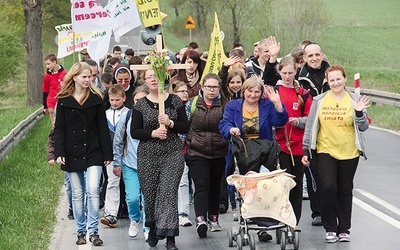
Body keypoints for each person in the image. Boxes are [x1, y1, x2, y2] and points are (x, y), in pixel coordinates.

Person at [301, 65, 370, 243]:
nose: (335, 82)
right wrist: (306, 150)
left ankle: (344, 229)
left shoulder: (355, 99)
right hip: (325, 150)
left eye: (338, 79)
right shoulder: (319, 100)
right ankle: (330, 227)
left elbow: (363, 127)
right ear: (327, 82)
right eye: (331, 80)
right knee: (328, 187)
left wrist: (359, 111)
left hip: (349, 151)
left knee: (345, 190)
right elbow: (310, 127)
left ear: (344, 79)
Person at [219, 76, 288, 242]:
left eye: (257, 91)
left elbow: (280, 121)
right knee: (248, 189)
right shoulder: (233, 106)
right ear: (244, 91)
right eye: (250, 91)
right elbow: (223, 124)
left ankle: (264, 225)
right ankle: (251, 220)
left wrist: (277, 104)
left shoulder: (266, 105)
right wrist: (231, 129)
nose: (253, 94)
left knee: (264, 187)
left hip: (264, 151)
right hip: (243, 151)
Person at [54, 62, 113, 246]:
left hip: (93, 150)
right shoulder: (63, 99)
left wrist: (107, 152)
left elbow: (103, 127)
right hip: (71, 152)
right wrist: (59, 151)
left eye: (90, 77)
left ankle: (93, 231)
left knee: (93, 189)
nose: (88, 80)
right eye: (84, 77)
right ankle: (80, 230)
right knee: (78, 193)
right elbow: (60, 128)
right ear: (74, 77)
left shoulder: (96, 98)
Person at [130, 69, 189, 250]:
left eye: (157, 75)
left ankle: (171, 238)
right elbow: (135, 132)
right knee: (151, 194)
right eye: (150, 77)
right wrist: (153, 133)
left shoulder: (175, 101)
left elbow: (184, 126)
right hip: (148, 154)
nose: (154, 79)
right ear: (145, 81)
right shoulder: (140, 105)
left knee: (168, 192)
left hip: (172, 152)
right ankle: (154, 226)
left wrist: (170, 123)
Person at [184, 73, 228, 238]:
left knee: (215, 186)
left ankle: (213, 217)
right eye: (209, 86)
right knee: (201, 185)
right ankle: (200, 219)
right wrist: (185, 147)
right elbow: (185, 127)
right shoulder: (192, 104)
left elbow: (228, 123)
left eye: (215, 87)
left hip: (218, 151)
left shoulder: (224, 104)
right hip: (197, 151)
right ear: (202, 87)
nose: (212, 90)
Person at [273, 56, 312, 228]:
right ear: (279, 72)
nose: (287, 76)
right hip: (280, 145)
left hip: (298, 145)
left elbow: (310, 118)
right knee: (283, 185)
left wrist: (299, 121)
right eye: (284, 73)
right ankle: (282, 219)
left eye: (291, 72)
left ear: (296, 72)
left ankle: (294, 222)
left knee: (296, 186)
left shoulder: (303, 93)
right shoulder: (274, 91)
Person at [297, 42, 331, 226]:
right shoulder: (299, 79)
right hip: (309, 133)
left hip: (331, 133)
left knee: (330, 177)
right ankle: (317, 212)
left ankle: (330, 211)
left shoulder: (332, 75)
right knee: (313, 175)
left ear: (322, 55)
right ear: (304, 58)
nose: (315, 58)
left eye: (317, 55)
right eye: (310, 56)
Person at [113, 85, 150, 240]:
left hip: (149, 164)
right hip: (130, 164)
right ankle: (134, 219)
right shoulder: (127, 117)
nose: (140, 103)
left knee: (148, 197)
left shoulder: (154, 117)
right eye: (137, 101)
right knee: (133, 197)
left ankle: (148, 226)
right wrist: (117, 162)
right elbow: (118, 140)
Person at [100, 85, 129, 229]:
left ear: (124, 98)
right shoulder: (104, 114)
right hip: (111, 154)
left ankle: (136, 209)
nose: (115, 102)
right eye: (112, 100)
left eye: (117, 99)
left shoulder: (129, 113)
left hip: (128, 153)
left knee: (130, 182)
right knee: (112, 181)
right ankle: (111, 213)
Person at [170, 81, 193, 227]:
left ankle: (183, 213)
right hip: (171, 149)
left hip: (187, 148)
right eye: (181, 91)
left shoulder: (190, 107)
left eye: (186, 91)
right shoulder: (169, 107)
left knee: (184, 181)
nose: (185, 93)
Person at [42, 54, 68, 124]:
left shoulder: (65, 74)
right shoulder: (47, 76)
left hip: (62, 100)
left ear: (54, 62)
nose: (47, 66)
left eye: (48, 64)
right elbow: (45, 90)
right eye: (46, 64)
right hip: (51, 101)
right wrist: (45, 106)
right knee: (54, 122)